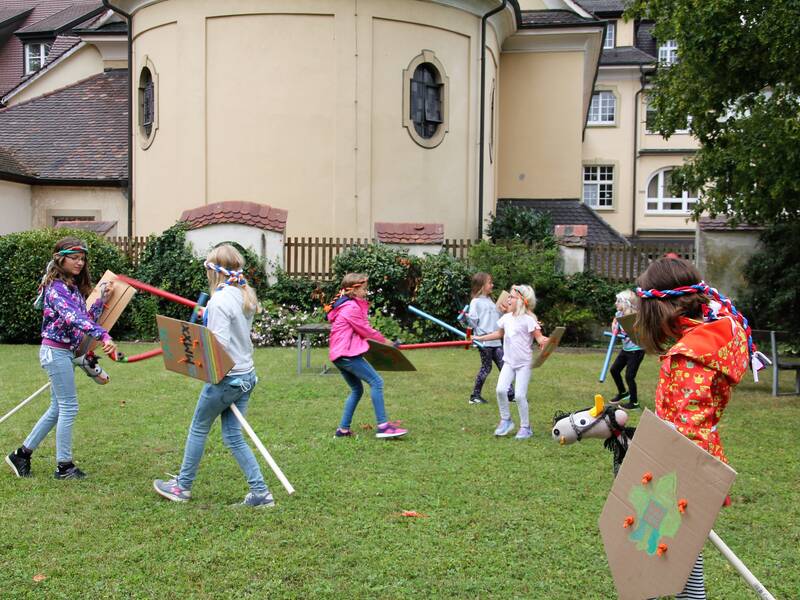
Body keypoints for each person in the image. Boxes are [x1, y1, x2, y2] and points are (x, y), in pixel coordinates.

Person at [636, 257, 753, 600]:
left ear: (660, 311)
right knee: (678, 557)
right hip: (691, 464)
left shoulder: (691, 355)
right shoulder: (711, 338)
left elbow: (690, 428)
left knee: (669, 557)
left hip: (683, 469)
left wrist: (673, 481)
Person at [153, 245, 273, 507]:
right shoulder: (244, 295)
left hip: (227, 378)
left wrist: (190, 349)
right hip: (246, 375)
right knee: (232, 436)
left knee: (199, 427)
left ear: (213, 271)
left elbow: (217, 347)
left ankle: (182, 487)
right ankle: (261, 494)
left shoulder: (219, 301)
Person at [5, 237, 116, 480]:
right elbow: (72, 318)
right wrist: (103, 335)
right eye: (74, 258)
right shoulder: (55, 288)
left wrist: (101, 302)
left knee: (58, 408)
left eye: (82, 258)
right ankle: (64, 467)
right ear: (60, 258)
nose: (80, 262)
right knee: (69, 406)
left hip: (65, 352)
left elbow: (81, 315)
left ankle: (21, 454)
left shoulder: (71, 287)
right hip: (55, 352)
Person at [326, 273, 407, 439]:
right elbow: (366, 331)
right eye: (364, 289)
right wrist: (388, 342)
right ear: (354, 290)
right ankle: (383, 426)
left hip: (340, 355)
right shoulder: (351, 308)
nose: (366, 291)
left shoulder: (346, 305)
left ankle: (342, 430)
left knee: (357, 389)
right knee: (376, 382)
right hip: (347, 354)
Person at [474, 285, 548, 440]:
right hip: (508, 362)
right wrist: (479, 338)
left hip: (523, 365)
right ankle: (506, 420)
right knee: (500, 390)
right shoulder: (506, 318)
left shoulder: (528, 320)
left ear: (521, 301)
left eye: (512, 297)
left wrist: (544, 341)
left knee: (520, 396)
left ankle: (526, 427)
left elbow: (539, 337)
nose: (508, 299)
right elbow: (498, 334)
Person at [464, 272, 513, 405]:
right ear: (481, 285)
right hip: (484, 341)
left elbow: (497, 317)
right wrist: (466, 317)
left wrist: (503, 310)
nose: (492, 285)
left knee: (504, 365)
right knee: (487, 368)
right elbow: (473, 322)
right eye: (489, 282)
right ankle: (475, 396)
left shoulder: (491, 300)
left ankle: (510, 394)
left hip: (496, 339)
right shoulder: (475, 302)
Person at [608, 289, 645, 410]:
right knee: (614, 370)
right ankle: (623, 393)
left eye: (618, 301)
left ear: (626, 303)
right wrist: (614, 327)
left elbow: (640, 333)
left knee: (629, 376)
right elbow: (615, 324)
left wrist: (630, 333)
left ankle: (634, 403)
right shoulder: (619, 314)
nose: (616, 303)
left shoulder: (635, 317)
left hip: (636, 350)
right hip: (626, 349)